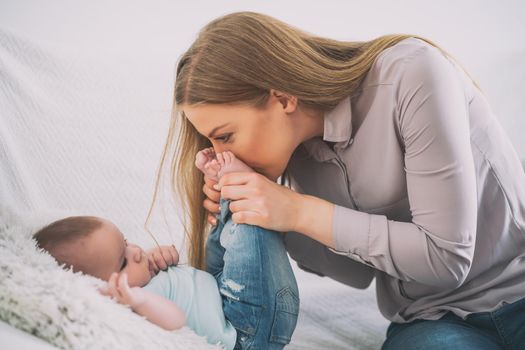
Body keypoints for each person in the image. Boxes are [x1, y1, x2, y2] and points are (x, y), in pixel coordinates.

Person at [154, 10, 525, 349]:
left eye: (226, 135)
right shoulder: (298, 154)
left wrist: (296, 211)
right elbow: (356, 273)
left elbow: (447, 259)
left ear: (282, 98)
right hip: (433, 321)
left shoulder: (411, 74)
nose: (220, 154)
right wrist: (263, 218)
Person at [34, 148, 299, 350]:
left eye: (126, 243)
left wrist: (164, 260)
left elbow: (180, 282)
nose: (136, 252)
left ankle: (226, 192)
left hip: (221, 291)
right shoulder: (132, 307)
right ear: (103, 289)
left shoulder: (141, 276)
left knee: (218, 242)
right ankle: (243, 186)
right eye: (123, 262)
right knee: (248, 231)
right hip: (246, 331)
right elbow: (174, 319)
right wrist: (139, 301)